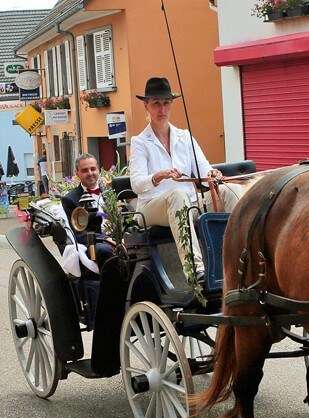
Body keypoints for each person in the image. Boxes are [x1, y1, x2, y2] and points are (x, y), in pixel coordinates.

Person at [128, 77, 243, 283]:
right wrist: (158, 175)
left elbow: (204, 169)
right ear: (146, 106)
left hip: (189, 203)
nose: (161, 109)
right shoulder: (140, 142)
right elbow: (136, 184)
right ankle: (195, 269)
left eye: (166, 103)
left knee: (229, 191)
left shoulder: (185, 137)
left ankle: (239, 258)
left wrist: (214, 175)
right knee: (178, 196)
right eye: (156, 104)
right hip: (153, 207)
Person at [61, 153, 115, 270]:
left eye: (93, 169)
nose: (90, 173)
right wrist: (106, 239)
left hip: (116, 238)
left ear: (98, 169)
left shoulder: (109, 192)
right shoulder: (70, 199)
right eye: (85, 170)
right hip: (93, 244)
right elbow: (80, 235)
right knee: (105, 250)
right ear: (77, 173)